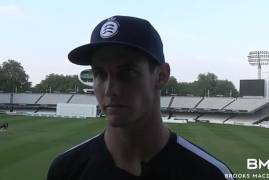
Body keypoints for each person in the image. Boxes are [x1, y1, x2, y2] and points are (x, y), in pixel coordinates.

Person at [47, 15, 235, 180]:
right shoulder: (65, 170)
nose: (110, 89)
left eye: (127, 72)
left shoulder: (211, 174)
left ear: (161, 76)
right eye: (100, 74)